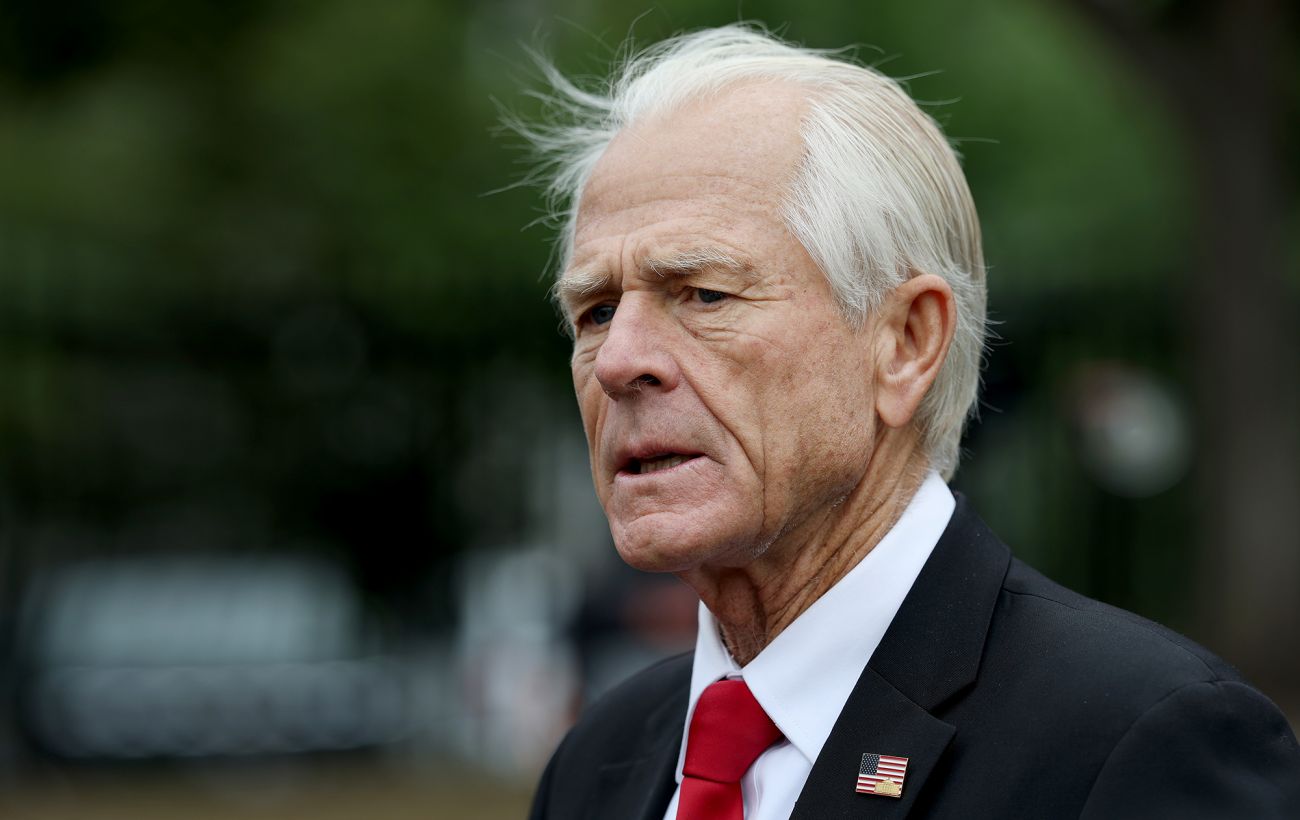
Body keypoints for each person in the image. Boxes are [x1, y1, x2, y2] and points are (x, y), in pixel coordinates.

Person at [518, 24, 1300, 819]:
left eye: (704, 294)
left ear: (905, 343)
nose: (618, 361)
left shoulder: (1142, 741)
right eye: (597, 311)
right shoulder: (594, 766)